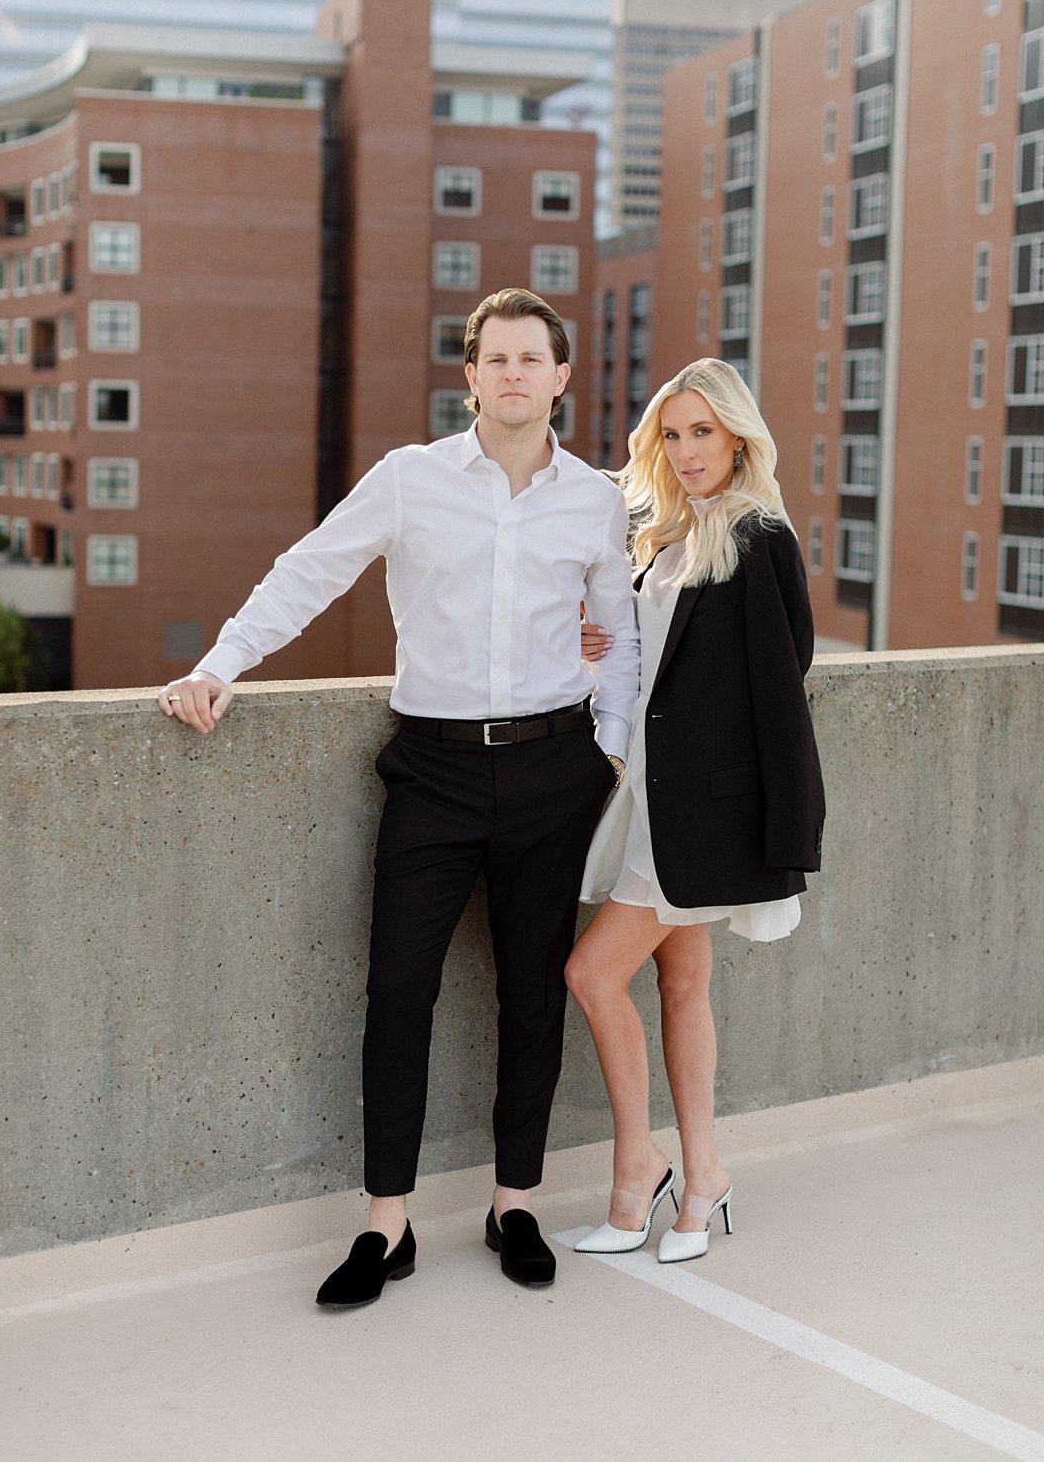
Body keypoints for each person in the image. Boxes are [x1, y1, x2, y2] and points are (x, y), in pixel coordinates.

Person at [158, 287, 639, 1307]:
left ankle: (514, 1203)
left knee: (528, 994)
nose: (512, 375)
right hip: (434, 771)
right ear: (470, 376)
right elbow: (307, 574)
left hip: (557, 772)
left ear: (561, 377)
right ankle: (388, 1224)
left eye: (530, 359)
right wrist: (219, 664)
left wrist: (608, 750)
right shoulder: (409, 481)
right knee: (398, 993)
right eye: (493, 359)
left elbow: (620, 634)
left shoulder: (596, 498)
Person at [565, 358, 824, 1263]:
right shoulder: (675, 540)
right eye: (670, 435)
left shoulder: (757, 537)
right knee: (681, 982)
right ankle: (703, 1175)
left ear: (739, 434)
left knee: (593, 976)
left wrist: (788, 831)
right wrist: (606, 642)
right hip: (650, 800)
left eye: (701, 432)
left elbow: (781, 690)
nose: (684, 451)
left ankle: (638, 1174)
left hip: (702, 816)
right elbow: (662, 674)